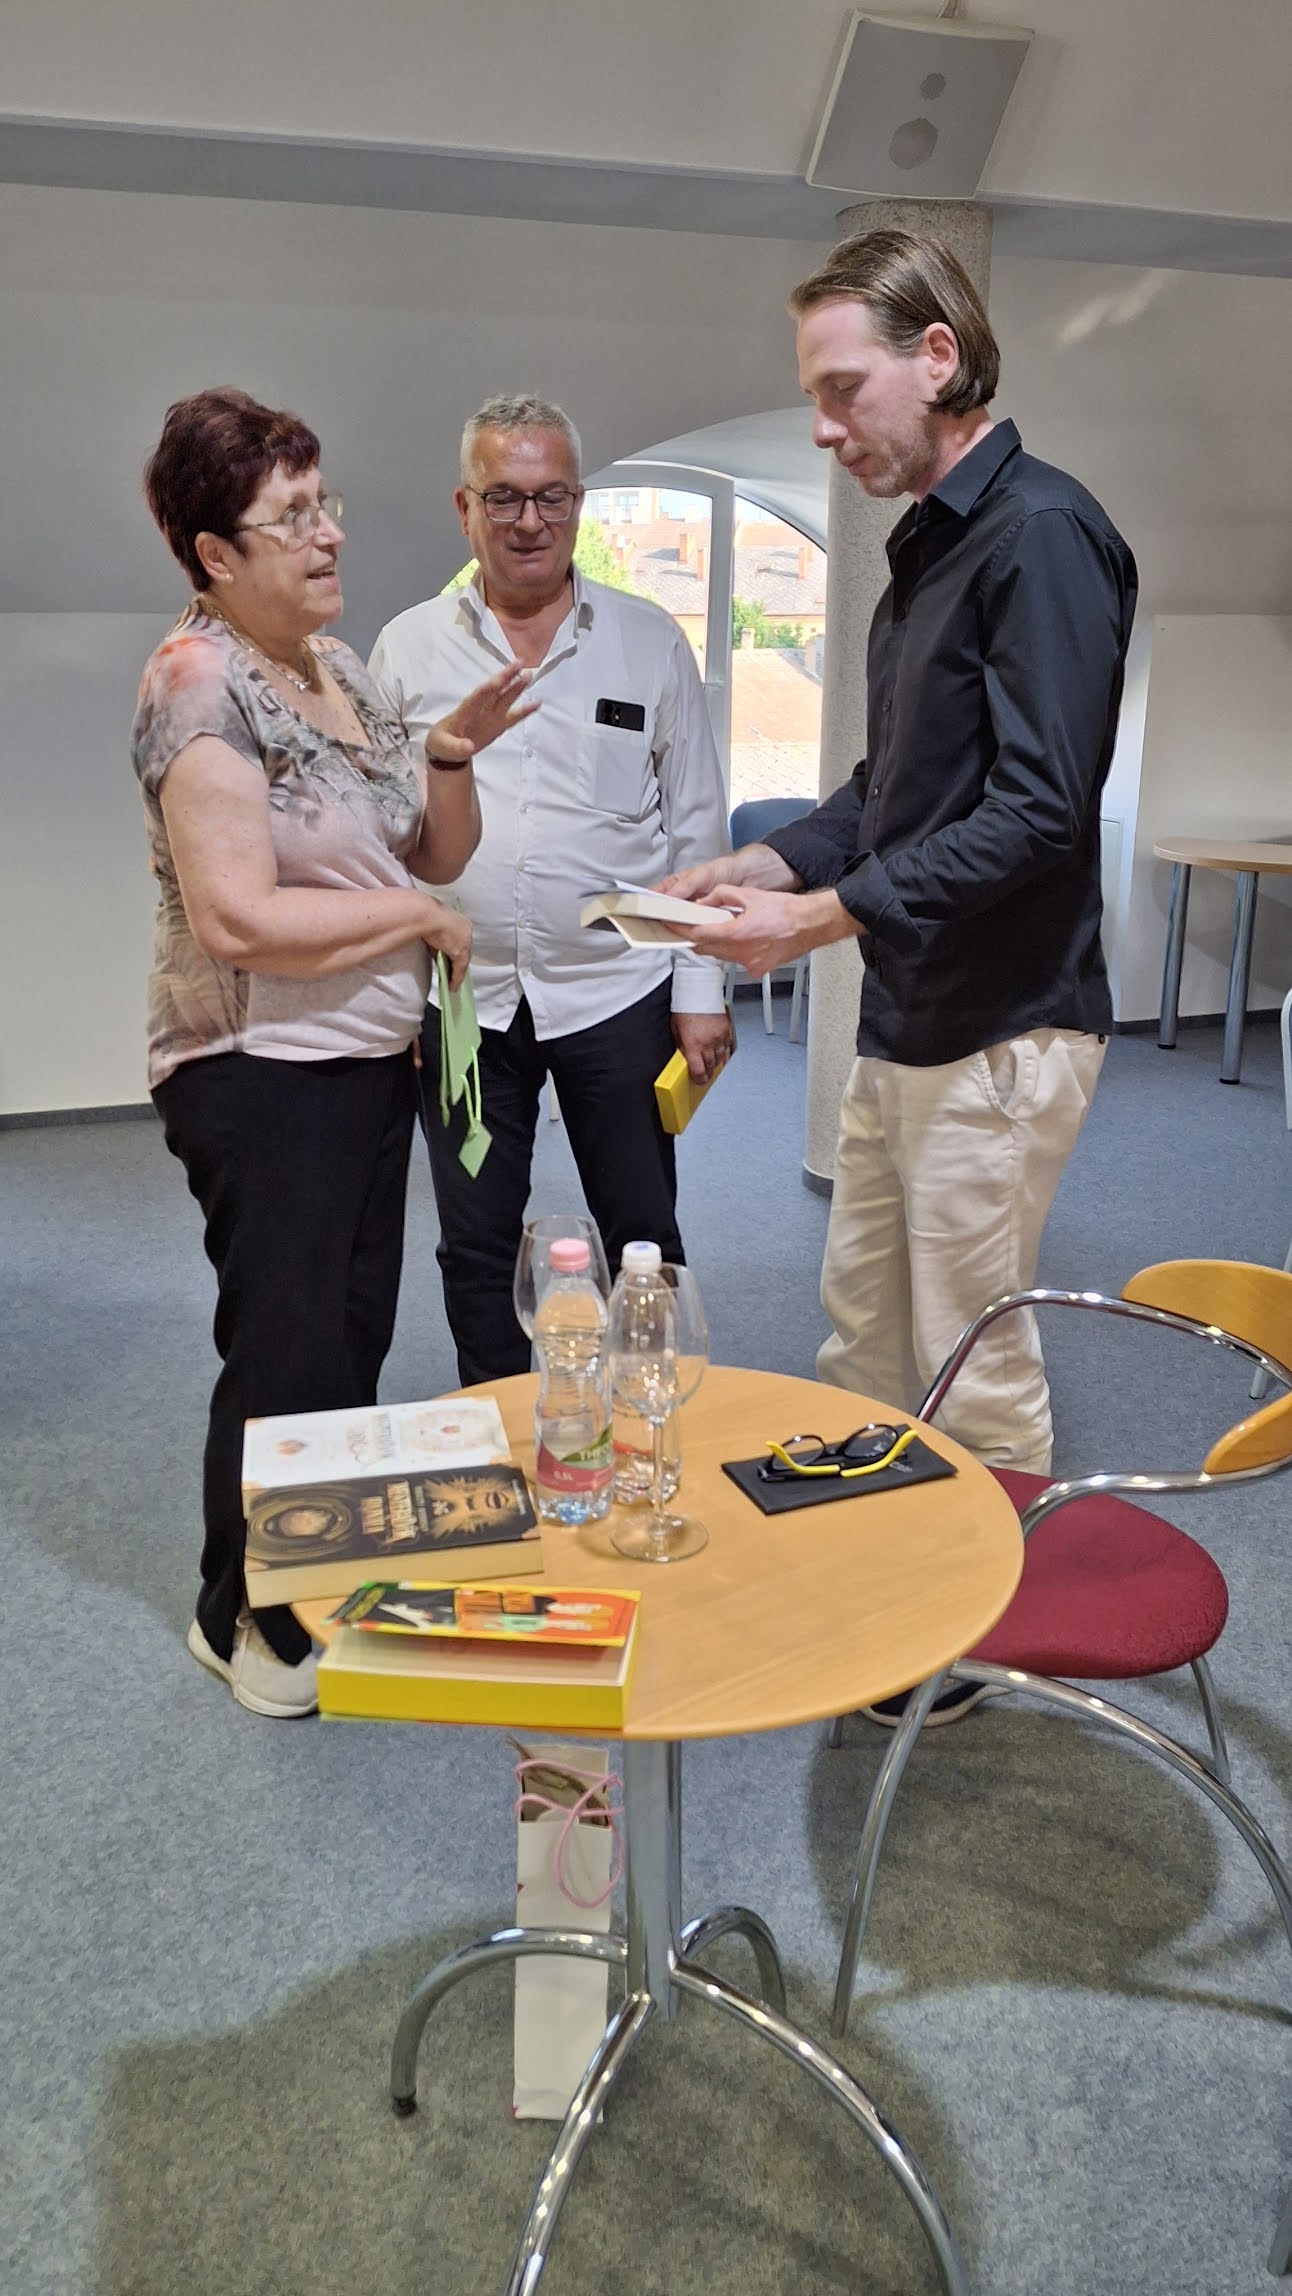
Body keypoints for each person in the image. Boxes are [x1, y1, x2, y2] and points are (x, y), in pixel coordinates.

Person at [666, 227, 1137, 1498]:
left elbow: (1038, 810)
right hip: (910, 1013)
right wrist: (766, 860)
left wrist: (824, 918)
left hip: (1001, 1025)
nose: (823, 428)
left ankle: (990, 1604)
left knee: (970, 1362)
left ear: (936, 357)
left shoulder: (1041, 535)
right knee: (865, 1338)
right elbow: (896, 785)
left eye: (840, 390)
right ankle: (876, 1571)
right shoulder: (929, 546)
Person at [133, 386, 532, 1717]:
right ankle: (244, 1620)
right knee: (287, 1349)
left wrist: (452, 755)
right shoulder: (198, 683)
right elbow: (239, 917)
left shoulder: (341, 669)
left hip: (364, 1060)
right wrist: (416, 920)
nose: (328, 534)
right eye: (292, 516)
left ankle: (312, 1580)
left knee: (346, 1338)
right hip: (256, 1068)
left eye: (326, 503)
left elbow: (430, 851)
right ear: (214, 554)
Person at [370, 393, 732, 1385]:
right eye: (503, 497)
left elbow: (697, 828)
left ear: (579, 504)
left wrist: (701, 989)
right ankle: (502, 1423)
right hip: (464, 1005)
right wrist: (396, 999)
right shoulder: (406, 648)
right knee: (475, 1243)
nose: (529, 521)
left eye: (551, 496)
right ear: (464, 508)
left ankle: (654, 1411)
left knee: (644, 1233)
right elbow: (379, 842)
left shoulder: (647, 642)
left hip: (617, 991)